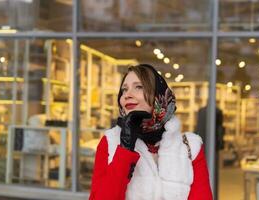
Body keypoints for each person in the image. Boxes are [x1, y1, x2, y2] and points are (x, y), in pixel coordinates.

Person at [89, 64, 212, 200]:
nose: (127, 95)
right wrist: (125, 149)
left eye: (139, 87)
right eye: (124, 90)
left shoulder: (190, 147)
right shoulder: (110, 142)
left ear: (157, 95)